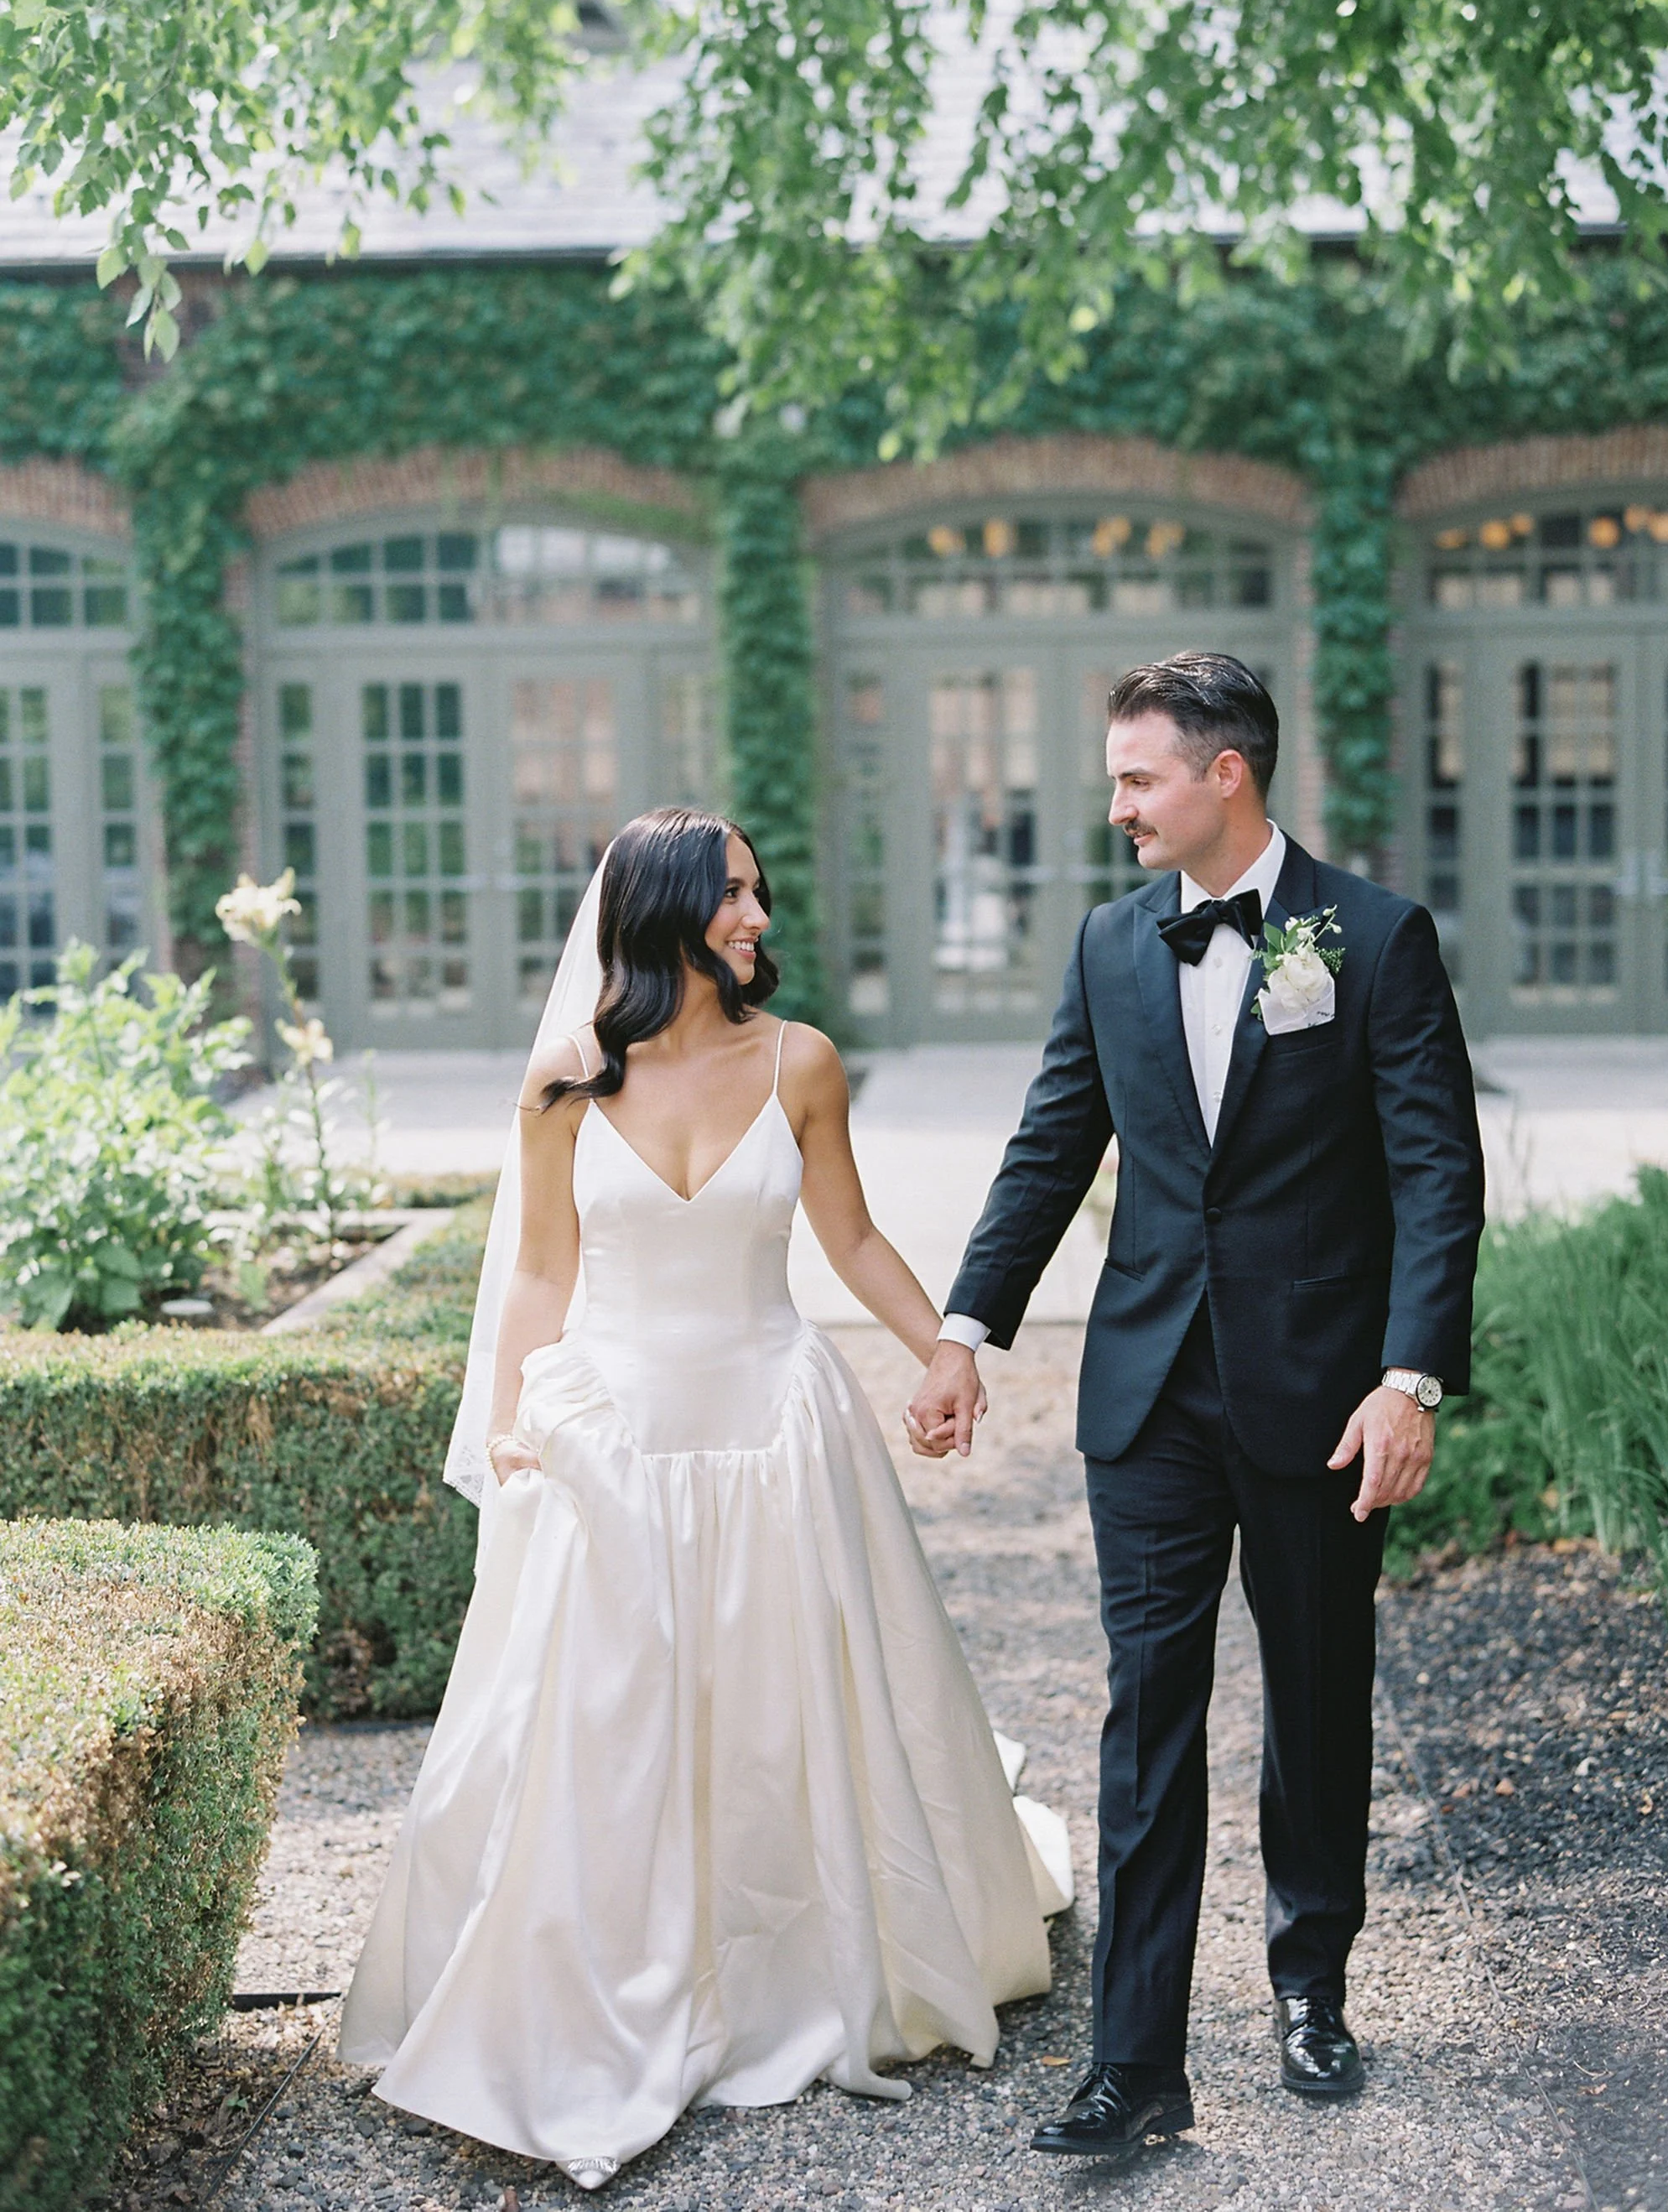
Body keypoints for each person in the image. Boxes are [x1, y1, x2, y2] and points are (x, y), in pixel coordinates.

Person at [339, 806, 1070, 2190]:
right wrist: (509, 1417)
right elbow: (544, 1273)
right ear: (669, 908)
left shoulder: (802, 1064)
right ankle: (605, 1971)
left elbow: (847, 1233)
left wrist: (944, 1349)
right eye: (737, 895)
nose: (760, 918)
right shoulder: (562, 1082)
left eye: (759, 895)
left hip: (777, 1431)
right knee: (599, 1722)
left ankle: (808, 1955)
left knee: (794, 1706)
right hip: (612, 1442)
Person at [907, 653, 1485, 2157]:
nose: (1118, 809)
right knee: (1146, 1713)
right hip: (1150, 1390)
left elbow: (1436, 1173)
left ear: (1228, 772)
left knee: (1313, 1697)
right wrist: (967, 1328)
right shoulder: (1110, 945)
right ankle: (1137, 2060)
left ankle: (1311, 1982)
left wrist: (1409, 1374)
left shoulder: (1373, 937)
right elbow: (1051, 1144)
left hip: (1322, 1398)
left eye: (1139, 778)